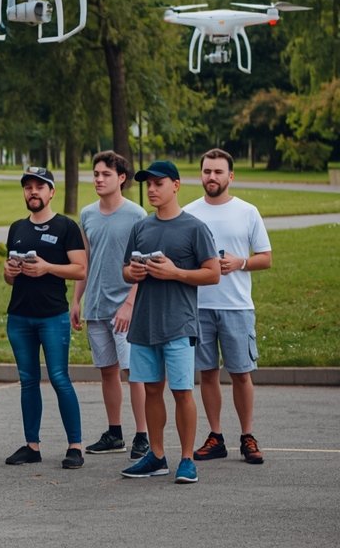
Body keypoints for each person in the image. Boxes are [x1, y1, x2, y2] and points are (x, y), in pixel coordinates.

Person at [120, 159, 219, 484]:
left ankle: (187, 459)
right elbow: (125, 270)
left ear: (175, 186)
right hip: (144, 324)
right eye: (148, 184)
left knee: (181, 392)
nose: (151, 189)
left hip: (179, 324)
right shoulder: (141, 227)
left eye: (158, 183)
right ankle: (157, 456)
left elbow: (213, 274)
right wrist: (133, 272)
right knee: (151, 390)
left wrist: (176, 272)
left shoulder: (194, 227)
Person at [183, 148, 272, 464]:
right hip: (200, 306)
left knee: (241, 373)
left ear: (230, 176)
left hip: (237, 306)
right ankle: (215, 436)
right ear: (201, 175)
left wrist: (240, 262)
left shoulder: (247, 211)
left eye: (218, 172)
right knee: (207, 373)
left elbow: (266, 258)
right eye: (207, 171)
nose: (212, 177)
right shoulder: (189, 213)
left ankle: (247, 436)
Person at [3, 166, 88, 470]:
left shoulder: (66, 226)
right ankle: (32, 446)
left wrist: (47, 267)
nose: (33, 192)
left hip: (53, 315)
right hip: (19, 316)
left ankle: (75, 446)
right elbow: (9, 278)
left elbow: (80, 269)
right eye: (28, 187)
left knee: (59, 378)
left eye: (40, 187)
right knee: (28, 381)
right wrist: (9, 271)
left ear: (52, 192)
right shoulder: (17, 228)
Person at [71, 151, 150, 460]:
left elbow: (142, 265)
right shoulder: (87, 214)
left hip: (125, 309)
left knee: (134, 372)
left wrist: (130, 303)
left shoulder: (137, 215)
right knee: (107, 372)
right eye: (96, 174)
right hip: (96, 306)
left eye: (106, 174)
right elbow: (85, 261)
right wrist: (76, 300)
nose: (99, 179)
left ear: (121, 178)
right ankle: (115, 433)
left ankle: (142, 435)